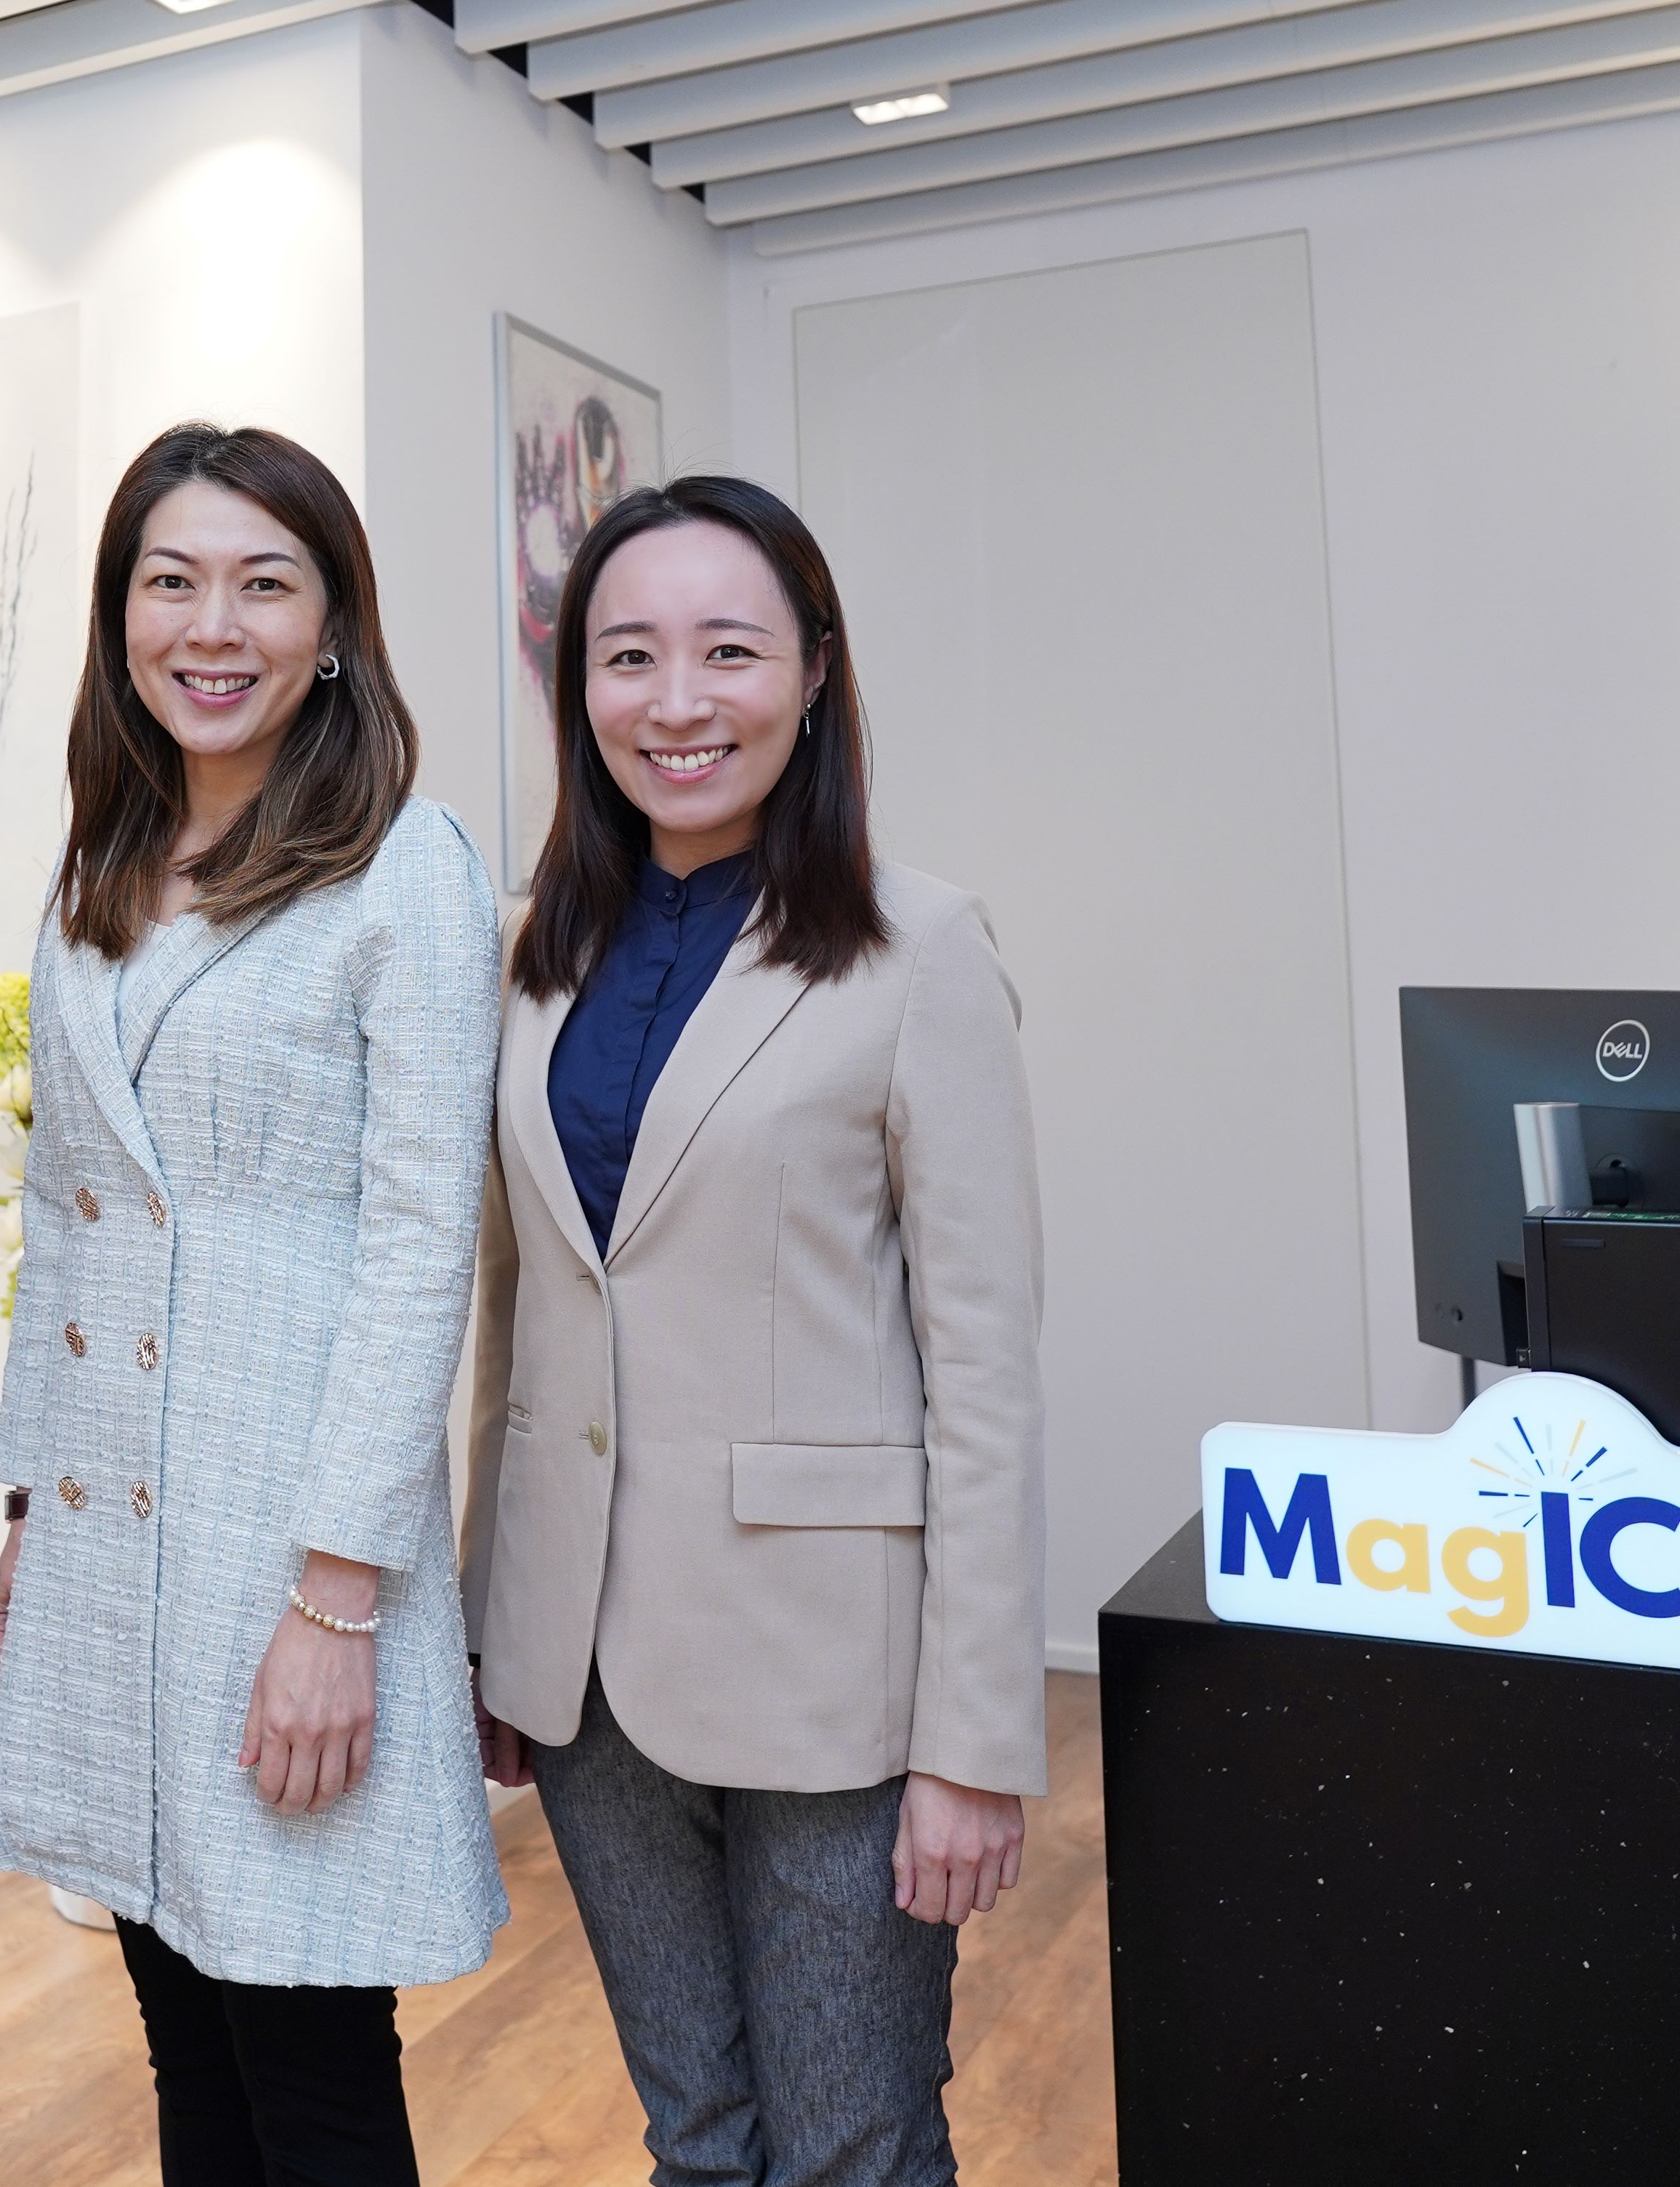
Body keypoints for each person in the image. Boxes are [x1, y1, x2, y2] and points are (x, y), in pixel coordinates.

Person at [459, 474, 1047, 2187]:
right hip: (579, 1672)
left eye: (726, 650)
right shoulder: (529, 948)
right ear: (579, 692)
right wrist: (500, 1624)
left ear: (809, 671)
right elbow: (518, 1313)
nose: (675, 701)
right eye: (627, 656)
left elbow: (985, 1369)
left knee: (853, 2146)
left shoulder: (913, 944)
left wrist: (973, 1743)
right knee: (696, 2137)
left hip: (831, 1676)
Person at [0, 424, 509, 2187]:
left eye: (263, 582)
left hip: (286, 1545)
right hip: (113, 1523)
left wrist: (336, 1602)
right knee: (178, 2035)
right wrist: (26, 1501)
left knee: (310, 2057)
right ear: (121, 616)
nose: (213, 624)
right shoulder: (102, 869)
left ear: (334, 624)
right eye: (169, 579)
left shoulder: (400, 864)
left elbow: (424, 1241)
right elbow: (68, 1220)